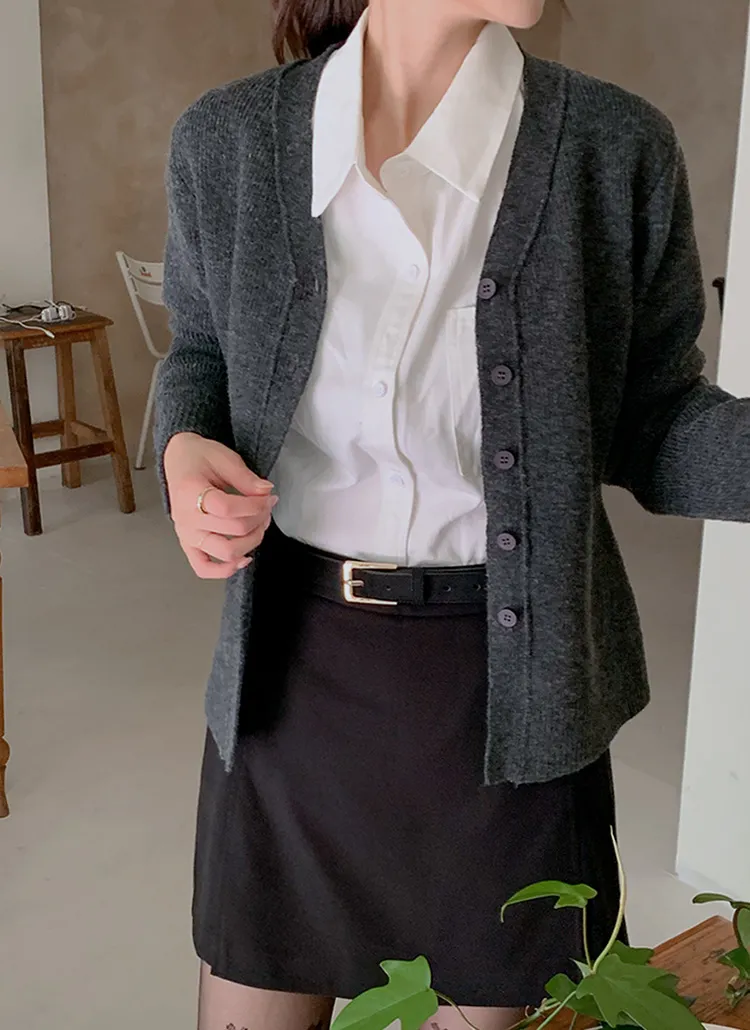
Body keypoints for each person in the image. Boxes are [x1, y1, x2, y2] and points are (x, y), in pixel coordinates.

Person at [155, 0, 750, 1027]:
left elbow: (654, 417)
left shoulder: (614, 148)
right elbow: (199, 347)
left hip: (513, 695)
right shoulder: (230, 138)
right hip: (292, 682)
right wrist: (181, 447)